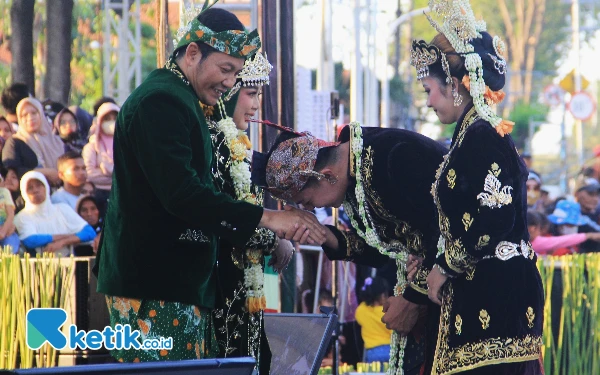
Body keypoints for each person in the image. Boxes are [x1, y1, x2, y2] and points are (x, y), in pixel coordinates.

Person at [93, 5, 325, 364]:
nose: (230, 83)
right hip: (155, 286)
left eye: (236, 74)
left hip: (179, 284)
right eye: (226, 69)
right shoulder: (161, 101)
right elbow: (182, 195)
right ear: (192, 53)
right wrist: (267, 220)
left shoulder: (185, 100)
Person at [251, 121, 447, 374]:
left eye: (307, 201)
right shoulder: (353, 174)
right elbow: (382, 250)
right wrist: (325, 237)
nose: (309, 210)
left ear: (328, 176)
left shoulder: (394, 156)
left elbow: (443, 231)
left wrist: (411, 299)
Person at [411, 2, 544, 373]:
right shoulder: (472, 133)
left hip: (497, 298)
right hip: (487, 293)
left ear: (454, 85)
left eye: (429, 91)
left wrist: (444, 267)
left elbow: (494, 217)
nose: (429, 102)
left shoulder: (483, 135)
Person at [205, 52, 293, 373]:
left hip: (242, 281)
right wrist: (276, 238)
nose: (256, 105)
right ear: (228, 92)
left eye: (259, 95)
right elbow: (225, 212)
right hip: (219, 280)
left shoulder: (234, 142)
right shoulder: (213, 141)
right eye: (250, 94)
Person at [14, 171, 96, 257]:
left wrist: (63, 242)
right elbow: (30, 240)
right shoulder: (21, 217)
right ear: (24, 192)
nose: (35, 190)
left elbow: (89, 232)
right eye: (30, 188)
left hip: (68, 262)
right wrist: (65, 236)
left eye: (39, 185)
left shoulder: (63, 209)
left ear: (46, 187)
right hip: (38, 266)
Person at [2, 97, 62, 185]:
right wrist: (44, 172)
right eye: (24, 115)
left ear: (41, 114)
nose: (30, 118)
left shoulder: (56, 140)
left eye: (34, 113)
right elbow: (13, 171)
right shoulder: (15, 142)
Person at [82, 102, 119, 211]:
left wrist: (105, 172)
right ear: (99, 121)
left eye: (115, 118)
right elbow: (89, 174)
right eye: (107, 119)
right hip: (99, 197)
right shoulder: (92, 147)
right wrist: (117, 174)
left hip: (123, 193)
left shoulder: (127, 144)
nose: (112, 122)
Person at [528, 209, 600, 256]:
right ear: (533, 228)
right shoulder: (534, 243)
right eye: (569, 225)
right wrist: (588, 235)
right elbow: (560, 241)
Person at [355, 277, 392, 364]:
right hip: (389, 349)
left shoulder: (361, 310)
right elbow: (394, 331)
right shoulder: (386, 311)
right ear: (383, 296)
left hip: (372, 352)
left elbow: (358, 319)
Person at [573, 175, 600, 253]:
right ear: (577, 194)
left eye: (597, 195)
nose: (595, 199)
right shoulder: (570, 215)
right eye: (590, 194)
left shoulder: (595, 214)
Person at [0, 172, 20, 253]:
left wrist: (3, 231)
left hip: (5, 227)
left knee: (10, 247)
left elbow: (10, 214)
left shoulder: (4, 192)